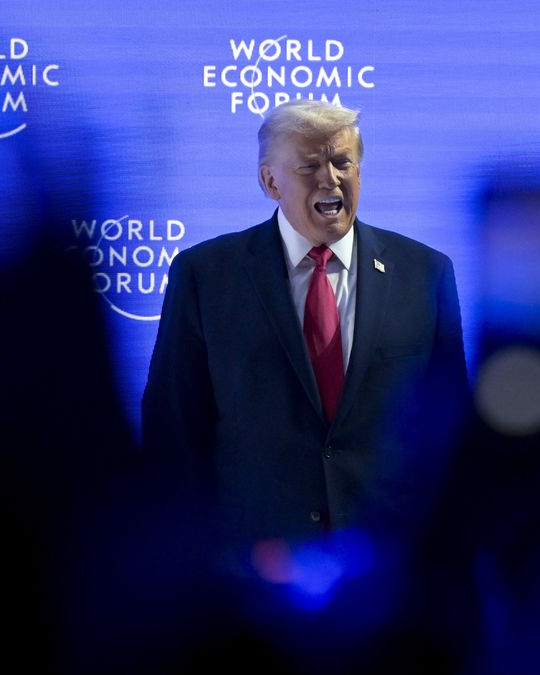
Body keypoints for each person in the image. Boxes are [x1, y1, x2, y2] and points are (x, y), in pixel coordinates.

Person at [141, 99, 469, 576]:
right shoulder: (205, 275)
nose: (330, 180)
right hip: (249, 574)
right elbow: (173, 430)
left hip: (390, 574)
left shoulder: (425, 273)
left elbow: (450, 427)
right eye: (310, 166)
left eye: (342, 164)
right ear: (270, 181)